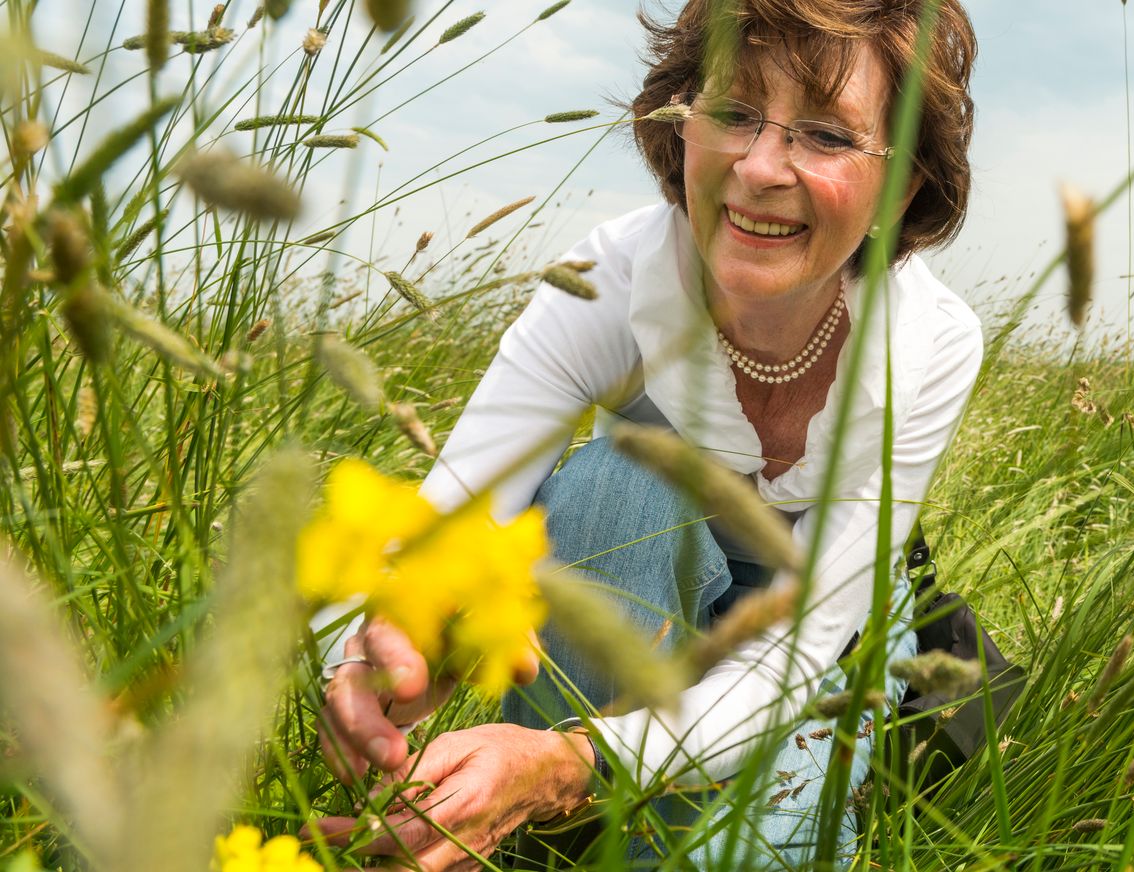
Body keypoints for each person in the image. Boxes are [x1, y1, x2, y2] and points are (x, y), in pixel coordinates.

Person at [308, 0, 980, 868]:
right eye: (733, 113)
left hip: (816, 637)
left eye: (824, 135)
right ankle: (547, 837)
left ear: (905, 183)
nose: (760, 166)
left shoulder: (930, 344)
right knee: (612, 484)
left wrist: (573, 764)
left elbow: (799, 650)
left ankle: (570, 813)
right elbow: (446, 518)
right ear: (680, 121)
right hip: (624, 572)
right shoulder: (606, 282)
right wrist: (372, 647)